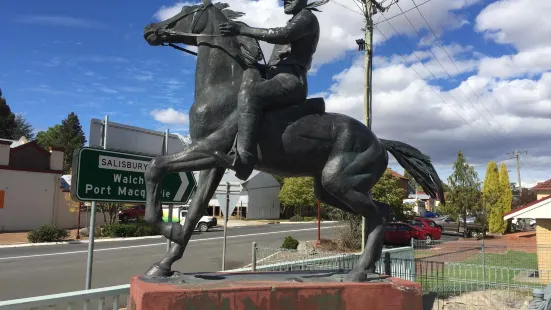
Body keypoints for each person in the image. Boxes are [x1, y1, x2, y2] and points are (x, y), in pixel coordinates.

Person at [213, 0, 325, 180]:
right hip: (279, 77)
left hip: (291, 81)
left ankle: (244, 160)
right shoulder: (295, 21)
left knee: (250, 95)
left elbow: (283, 34)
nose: (286, 1)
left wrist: (242, 29)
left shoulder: (307, 17)